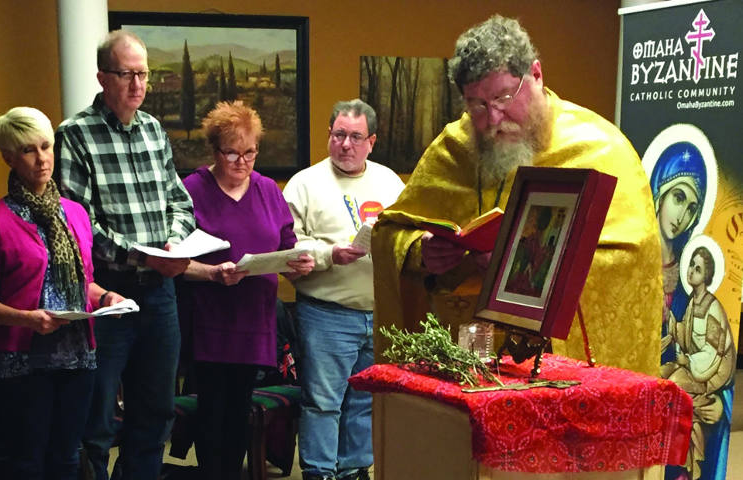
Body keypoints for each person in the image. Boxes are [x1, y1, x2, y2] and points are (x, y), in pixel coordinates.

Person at [372, 15, 663, 375]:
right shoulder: (453, 148)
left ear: (536, 74)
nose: (493, 118)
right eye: (476, 105)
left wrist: (519, 263)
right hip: (467, 354)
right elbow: (389, 232)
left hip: (559, 370)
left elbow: (631, 262)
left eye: (503, 97)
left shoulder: (602, 150)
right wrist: (422, 252)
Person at [54, 30, 195, 480]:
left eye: (144, 74)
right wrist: (143, 256)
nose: (137, 84)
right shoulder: (75, 136)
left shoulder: (154, 130)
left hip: (160, 295)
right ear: (102, 78)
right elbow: (78, 225)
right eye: (126, 74)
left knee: (154, 415)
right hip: (107, 297)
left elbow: (180, 201)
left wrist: (173, 241)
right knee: (95, 422)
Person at [0, 107, 125, 480]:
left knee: (68, 458)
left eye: (46, 147)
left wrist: (106, 298)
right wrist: (28, 318)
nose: (42, 159)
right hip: (21, 361)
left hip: (77, 356)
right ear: (9, 157)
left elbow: (82, 282)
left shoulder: (74, 214)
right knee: (28, 461)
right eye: (29, 150)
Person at [180, 101, 314, 480]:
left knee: (239, 412)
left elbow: (288, 244)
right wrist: (211, 273)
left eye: (250, 152)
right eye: (232, 153)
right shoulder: (192, 190)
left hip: (255, 321)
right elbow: (174, 263)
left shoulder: (269, 190)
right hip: (210, 321)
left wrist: (299, 264)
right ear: (214, 151)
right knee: (212, 413)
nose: (242, 162)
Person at [282, 99, 405, 480]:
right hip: (326, 312)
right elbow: (288, 247)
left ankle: (354, 470)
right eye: (338, 135)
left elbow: (407, 236)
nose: (345, 145)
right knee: (322, 403)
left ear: (372, 141)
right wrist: (329, 254)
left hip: (379, 312)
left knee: (366, 400)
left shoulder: (390, 182)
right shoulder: (305, 184)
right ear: (329, 136)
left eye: (355, 137)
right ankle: (319, 472)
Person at [663, 246, 734, 480]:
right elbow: (688, 336)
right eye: (691, 266)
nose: (691, 272)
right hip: (694, 367)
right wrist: (673, 323)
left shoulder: (712, 307)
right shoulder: (694, 302)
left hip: (709, 376)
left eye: (698, 268)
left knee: (672, 385)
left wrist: (688, 361)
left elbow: (712, 353)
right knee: (659, 374)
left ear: (707, 276)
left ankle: (686, 468)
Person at [650, 142, 707, 365]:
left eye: (692, 208)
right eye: (679, 198)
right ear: (660, 192)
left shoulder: (689, 272)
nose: (682, 215)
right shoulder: (634, 261)